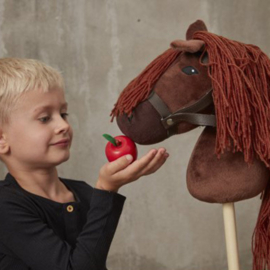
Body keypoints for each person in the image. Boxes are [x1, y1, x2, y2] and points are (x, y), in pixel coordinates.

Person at [0, 58, 169, 269]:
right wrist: (107, 191)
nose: (63, 125)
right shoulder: (5, 206)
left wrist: (104, 193)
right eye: (44, 118)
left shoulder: (84, 193)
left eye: (63, 114)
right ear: (2, 140)